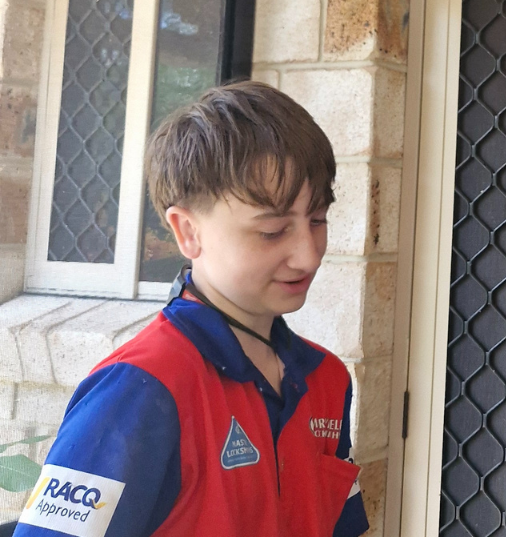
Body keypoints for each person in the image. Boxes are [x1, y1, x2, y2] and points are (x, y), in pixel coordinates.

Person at [14, 82, 370, 537]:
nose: (308, 254)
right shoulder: (141, 389)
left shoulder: (327, 378)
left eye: (317, 220)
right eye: (273, 231)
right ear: (187, 232)